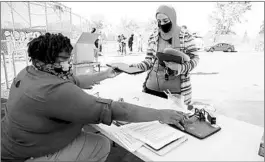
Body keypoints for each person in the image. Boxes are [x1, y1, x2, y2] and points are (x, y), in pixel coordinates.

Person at [1, 33, 192, 162]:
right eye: (65, 60)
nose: (69, 64)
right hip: (28, 154)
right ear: (45, 61)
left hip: (14, 141)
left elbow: (73, 80)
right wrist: (161, 114)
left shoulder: (29, 71)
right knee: (100, 143)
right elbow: (116, 110)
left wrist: (105, 74)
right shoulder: (54, 91)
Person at [130, 5, 200, 105]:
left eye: (165, 20)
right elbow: (149, 60)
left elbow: (195, 58)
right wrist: (137, 67)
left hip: (175, 94)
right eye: (159, 21)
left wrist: (180, 67)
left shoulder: (185, 36)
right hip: (151, 90)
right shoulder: (154, 36)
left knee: (173, 119)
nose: (162, 24)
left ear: (172, 18)